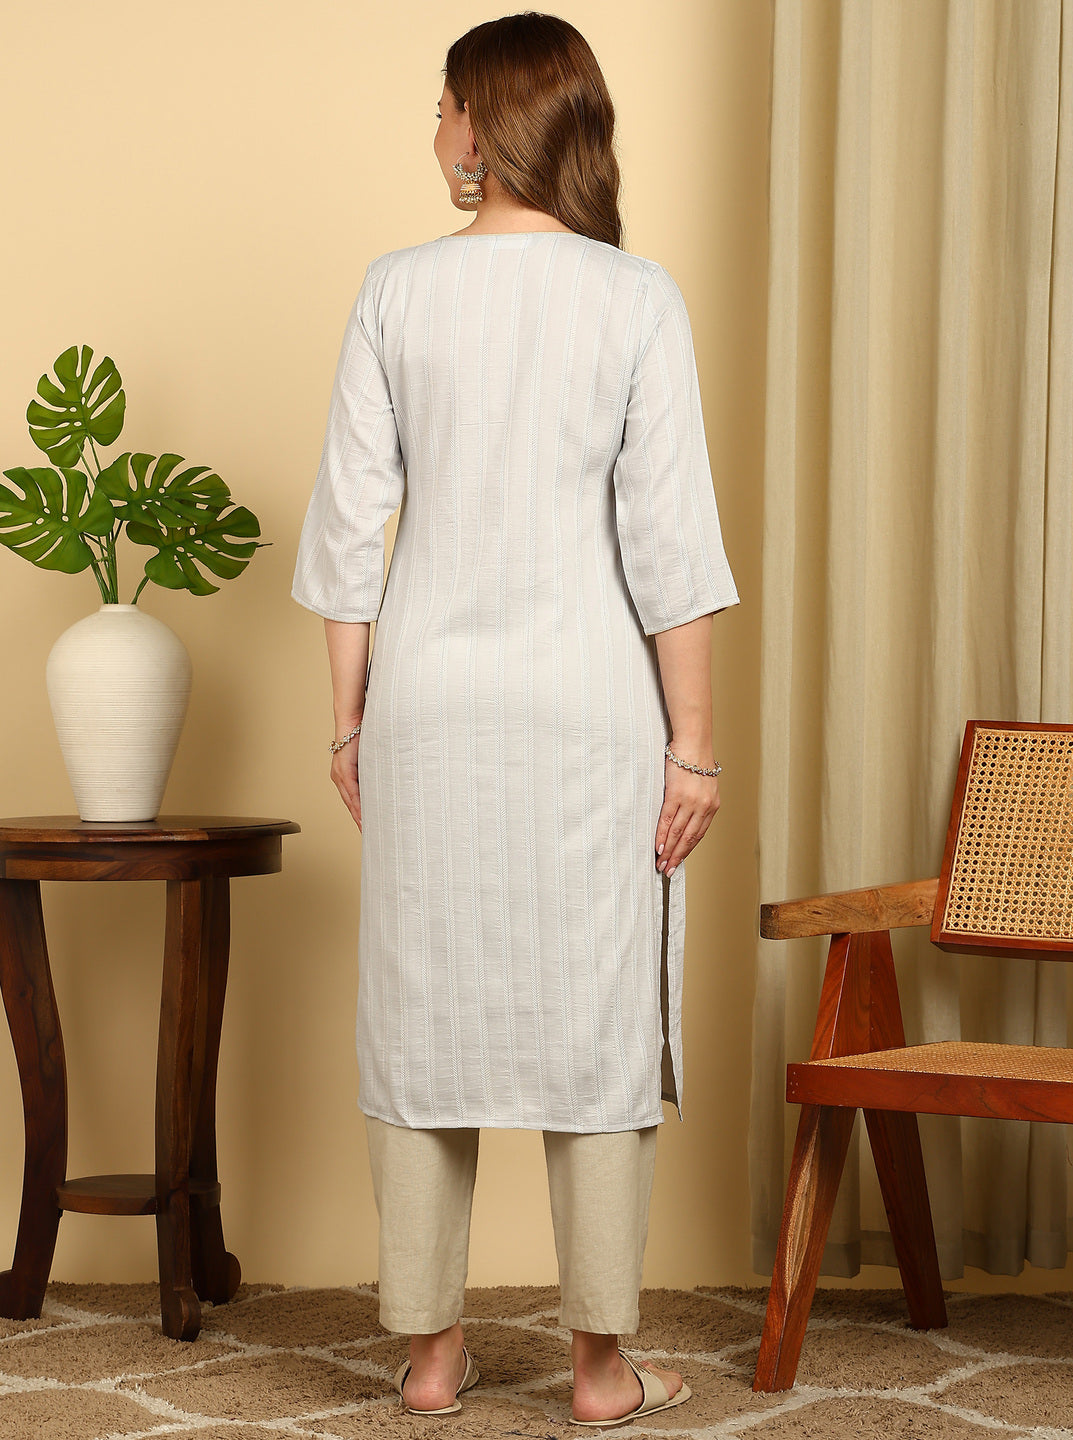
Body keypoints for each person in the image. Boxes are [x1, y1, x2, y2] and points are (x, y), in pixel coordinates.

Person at [290, 11, 739, 1428]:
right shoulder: (637, 298)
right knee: (595, 1017)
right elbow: (672, 548)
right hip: (591, 713)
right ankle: (601, 1371)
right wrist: (694, 751)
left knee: (421, 1012)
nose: (433, 131)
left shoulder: (396, 291)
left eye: (442, 107)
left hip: (429, 708)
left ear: (483, 125)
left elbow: (349, 534)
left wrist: (351, 724)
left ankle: (431, 1357)